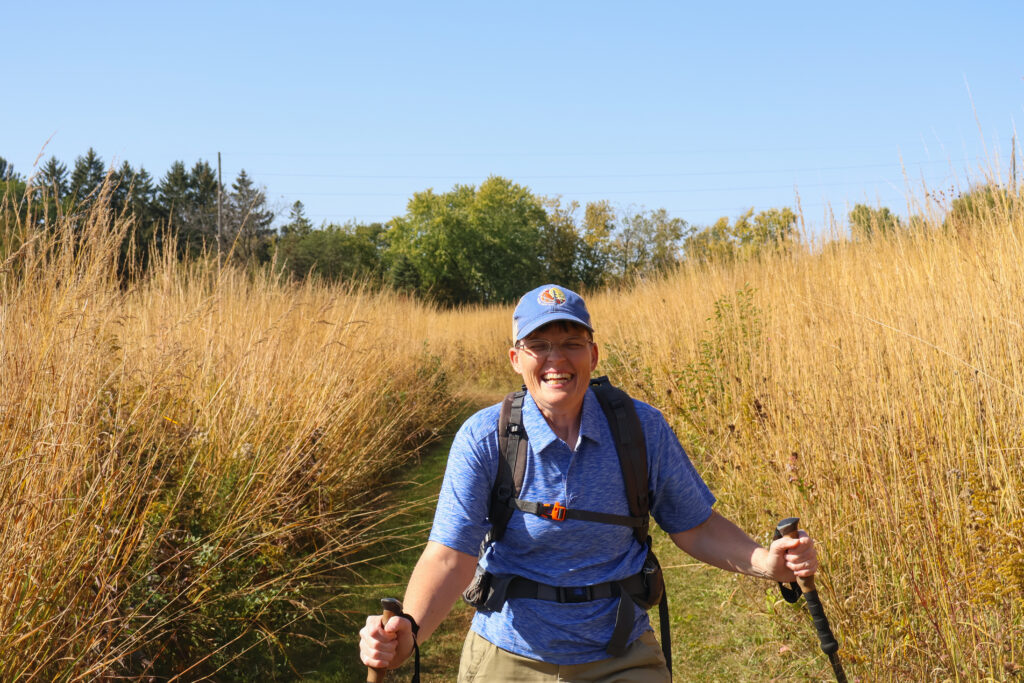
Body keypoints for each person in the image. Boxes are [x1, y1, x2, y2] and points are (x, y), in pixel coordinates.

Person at [359, 284, 817, 681]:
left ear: (593, 354)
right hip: (509, 655)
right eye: (539, 345)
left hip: (621, 655)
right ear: (516, 359)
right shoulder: (484, 438)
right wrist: (410, 633)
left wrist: (767, 563)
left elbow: (695, 526)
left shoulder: (641, 429)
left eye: (571, 342)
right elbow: (448, 556)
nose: (556, 359)